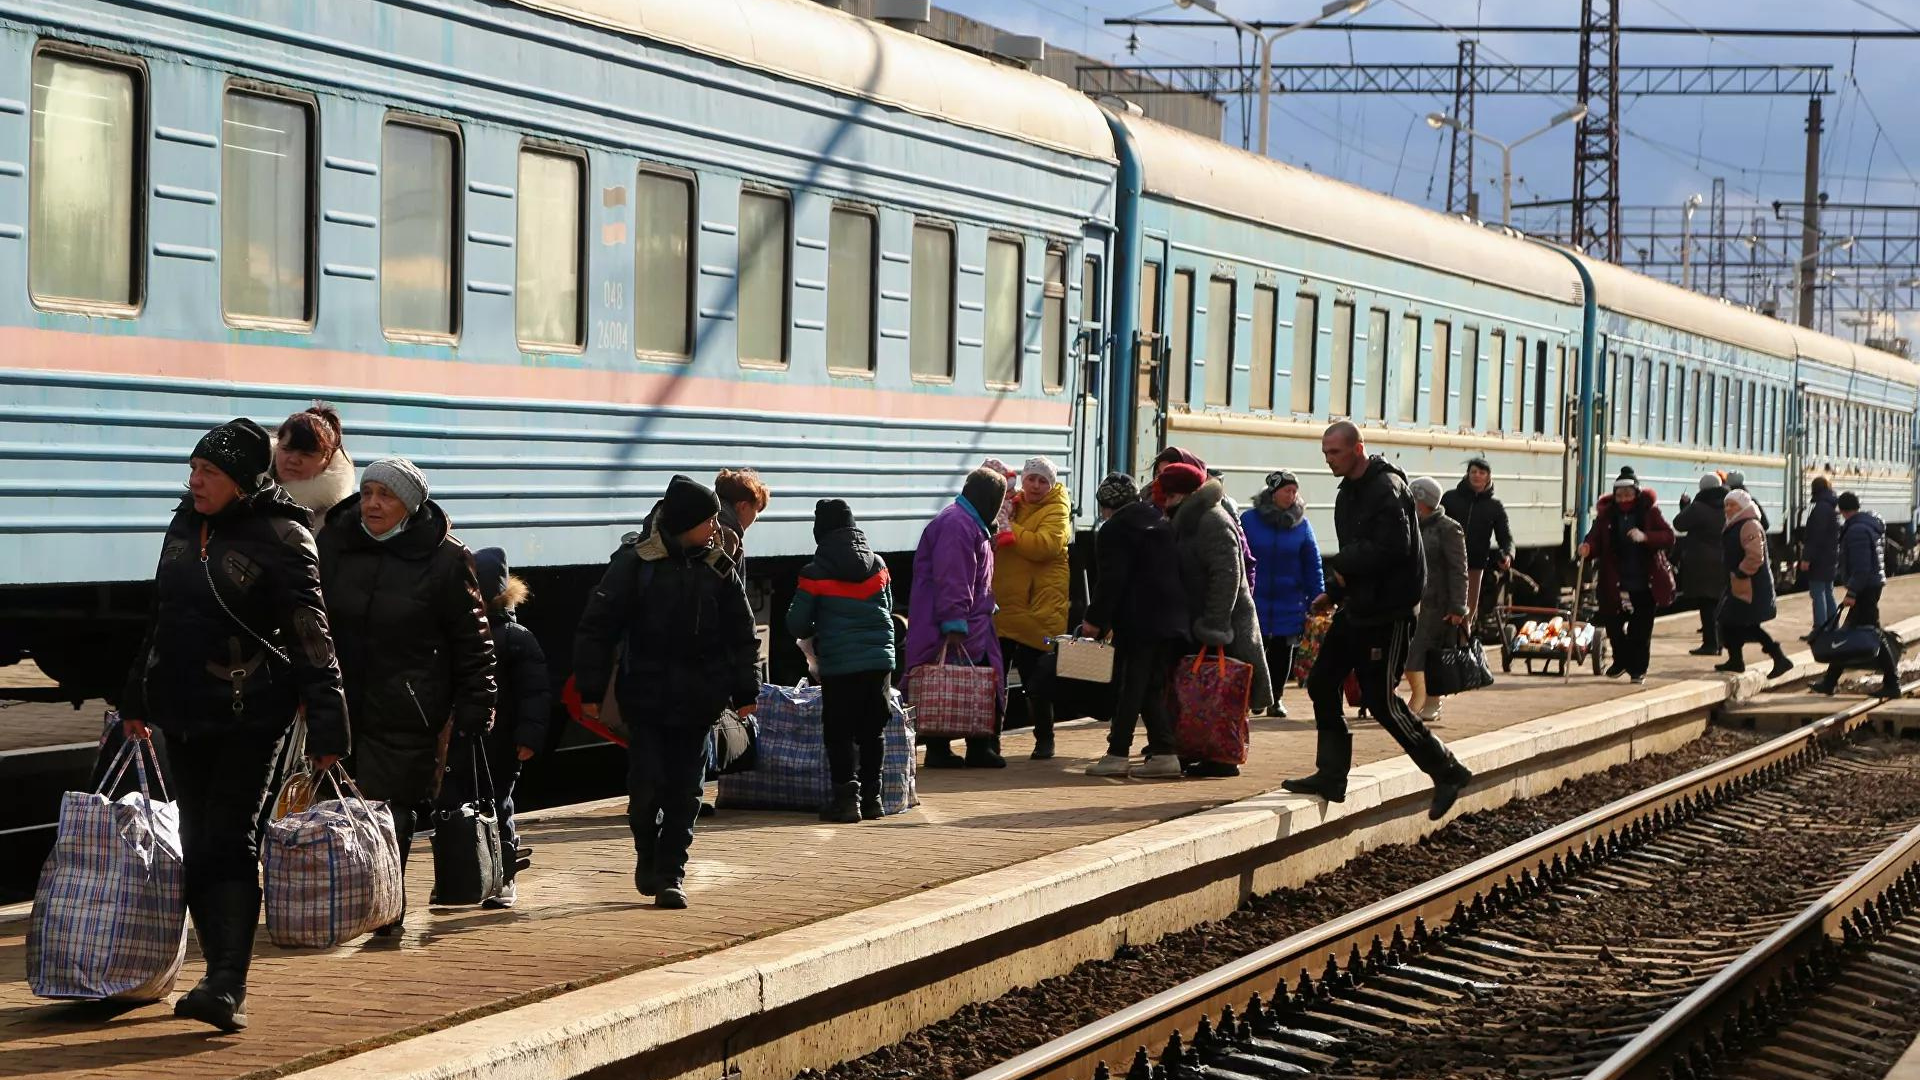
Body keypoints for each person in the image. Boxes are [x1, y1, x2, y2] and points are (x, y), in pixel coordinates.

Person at [117, 419, 349, 1031]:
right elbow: (161, 616)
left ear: (243, 482)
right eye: (193, 470)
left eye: (210, 473)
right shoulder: (183, 527)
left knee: (231, 838)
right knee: (198, 841)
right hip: (185, 711)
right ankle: (216, 974)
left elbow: (310, 636)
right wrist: (135, 696)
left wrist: (329, 724)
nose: (195, 482)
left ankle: (228, 981)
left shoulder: (282, 536)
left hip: (253, 714)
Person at [320, 458, 497, 933]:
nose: (372, 503)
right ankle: (348, 899)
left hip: (408, 706)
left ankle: (387, 910)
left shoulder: (445, 559)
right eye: (368, 491)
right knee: (337, 807)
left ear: (411, 505)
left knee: (391, 811)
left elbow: (473, 640)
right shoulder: (334, 545)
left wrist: (479, 702)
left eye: (386, 495)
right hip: (340, 701)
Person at [573, 475, 761, 909]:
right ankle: (647, 851)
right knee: (645, 790)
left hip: (700, 700)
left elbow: (742, 635)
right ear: (685, 522)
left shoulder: (718, 568)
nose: (716, 528)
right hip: (647, 697)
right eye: (709, 520)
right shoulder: (634, 565)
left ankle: (672, 873)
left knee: (686, 790)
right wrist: (591, 688)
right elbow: (597, 629)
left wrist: (746, 688)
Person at [1282, 422, 1474, 819]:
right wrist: (1333, 593)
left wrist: (1338, 567)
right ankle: (1332, 775)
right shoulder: (1350, 492)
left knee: (1380, 700)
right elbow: (1359, 553)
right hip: (1359, 606)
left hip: (1388, 613)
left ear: (1357, 449)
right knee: (1321, 683)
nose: (1328, 459)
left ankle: (1448, 770)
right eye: (1325, 452)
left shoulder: (1385, 489)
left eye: (1334, 452)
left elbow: (1392, 548)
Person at [1161, 462, 1273, 777]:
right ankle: (1201, 747)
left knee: (1225, 694)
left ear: (1181, 494)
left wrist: (1215, 625)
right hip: (1201, 619)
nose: (1164, 501)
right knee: (1203, 693)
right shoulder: (1188, 519)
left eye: (1168, 494)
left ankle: (1224, 757)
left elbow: (1227, 576)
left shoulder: (1211, 520)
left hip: (1226, 623)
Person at [787, 499, 896, 822]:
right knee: (872, 729)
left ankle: (847, 802)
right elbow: (886, 608)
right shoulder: (878, 565)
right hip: (879, 661)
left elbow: (796, 624)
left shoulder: (815, 572)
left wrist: (818, 627)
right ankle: (873, 799)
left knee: (839, 731)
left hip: (840, 664)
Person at [1082, 473, 1190, 777]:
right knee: (1149, 687)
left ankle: (1118, 753)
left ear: (1105, 506)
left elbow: (1111, 581)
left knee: (1132, 686)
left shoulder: (1114, 529)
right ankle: (1164, 753)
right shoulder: (1158, 521)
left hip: (1140, 620)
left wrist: (1094, 621)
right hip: (1171, 618)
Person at [908, 468, 1009, 769]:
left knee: (955, 684)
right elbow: (954, 577)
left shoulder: (965, 522)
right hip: (957, 622)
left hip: (968, 618)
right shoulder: (959, 525)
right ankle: (971, 747)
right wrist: (954, 622)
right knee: (967, 682)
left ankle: (950, 747)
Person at [469, 549, 551, 910]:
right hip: (472, 739)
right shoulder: (469, 633)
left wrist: (528, 736)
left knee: (498, 807)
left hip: (502, 742)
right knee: (466, 807)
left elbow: (535, 693)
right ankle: (471, 875)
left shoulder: (516, 638)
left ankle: (504, 878)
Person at [992, 457, 1071, 760]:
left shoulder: (1057, 509)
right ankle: (991, 741)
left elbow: (1047, 545)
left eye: (1043, 481)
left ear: (1051, 485)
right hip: (1006, 606)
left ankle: (1044, 739)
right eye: (1031, 479)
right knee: (996, 680)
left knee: (1036, 680)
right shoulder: (1012, 503)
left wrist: (1011, 529)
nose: (1036, 486)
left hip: (1037, 608)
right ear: (1023, 480)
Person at [1577, 467, 1676, 686]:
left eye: (1628, 494)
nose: (1623, 499)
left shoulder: (1650, 513)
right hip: (1614, 581)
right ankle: (1621, 660)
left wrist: (1645, 536)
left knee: (1640, 631)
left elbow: (1668, 537)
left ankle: (1638, 670)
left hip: (1644, 581)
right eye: (1619, 495)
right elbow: (1594, 538)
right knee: (1613, 625)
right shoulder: (1606, 516)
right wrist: (1587, 547)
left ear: (1636, 494)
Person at [1241, 470, 1323, 719]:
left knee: (1282, 652)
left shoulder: (1302, 525)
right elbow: (1240, 557)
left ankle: (1275, 699)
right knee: (1254, 651)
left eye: (1294, 491)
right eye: (1287, 490)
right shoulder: (1249, 520)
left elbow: (1312, 562)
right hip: (1256, 598)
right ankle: (1256, 697)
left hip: (1290, 599)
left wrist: (1318, 594)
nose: (1292, 495)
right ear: (1273, 492)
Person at [1809, 492, 1904, 698]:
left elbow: (1861, 567)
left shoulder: (1857, 530)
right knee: (1848, 632)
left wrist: (1852, 592)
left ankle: (1892, 683)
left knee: (1872, 633)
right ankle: (1830, 681)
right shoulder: (1864, 525)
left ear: (1842, 510)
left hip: (1865, 587)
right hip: (1869, 584)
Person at [1406, 477, 1467, 721]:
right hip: (1412, 600)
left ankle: (1427, 702)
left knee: (1426, 655)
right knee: (1414, 654)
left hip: (1437, 603)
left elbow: (1458, 570)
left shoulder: (1449, 528)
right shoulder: (1410, 526)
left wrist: (1458, 607)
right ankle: (1421, 700)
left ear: (1424, 502)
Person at [1713, 490, 1793, 679]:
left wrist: (1741, 571)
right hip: (1740, 583)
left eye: (1732, 505)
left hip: (1750, 584)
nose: (1728, 509)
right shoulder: (1736, 524)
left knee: (1744, 624)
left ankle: (1778, 658)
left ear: (1743, 506)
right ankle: (1737, 660)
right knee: (1731, 622)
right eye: (1726, 505)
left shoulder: (1749, 525)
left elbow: (1755, 555)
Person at [1438, 457, 1512, 631]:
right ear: (1467, 474)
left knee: (1466, 614)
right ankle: (1441, 652)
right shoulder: (1450, 498)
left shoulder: (1494, 507)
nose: (1477, 476)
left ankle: (1463, 649)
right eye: (1473, 472)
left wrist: (1508, 554)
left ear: (1488, 477)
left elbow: (1505, 537)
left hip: (1474, 566)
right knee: (1442, 610)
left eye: (1481, 472)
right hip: (1446, 563)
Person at [273, 402, 355, 530]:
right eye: (286, 449)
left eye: (306, 454)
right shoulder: (244, 494)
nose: (294, 460)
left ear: (327, 458)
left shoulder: (336, 520)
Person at [1672, 473, 1728, 657]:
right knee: (1720, 603)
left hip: (1702, 562)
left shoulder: (1698, 507)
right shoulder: (1729, 506)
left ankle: (1710, 644)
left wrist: (1684, 507)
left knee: (1706, 604)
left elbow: (1679, 524)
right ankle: (1720, 642)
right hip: (1724, 559)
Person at [1800, 476, 1842, 637]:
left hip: (1820, 558)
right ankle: (1832, 626)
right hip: (1829, 555)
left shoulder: (1820, 509)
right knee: (1827, 591)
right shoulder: (1830, 507)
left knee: (1818, 593)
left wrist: (1807, 558)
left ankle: (1820, 628)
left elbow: (1815, 537)